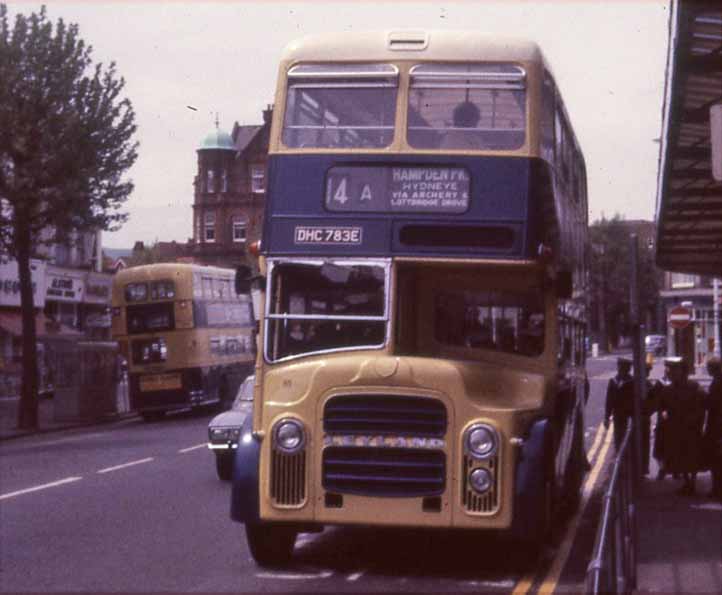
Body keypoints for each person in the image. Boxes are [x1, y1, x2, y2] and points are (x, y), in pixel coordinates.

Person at [659, 358, 706, 495]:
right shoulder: (668, 389)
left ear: (683, 372)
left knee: (692, 455)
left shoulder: (694, 386)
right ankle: (687, 482)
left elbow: (703, 405)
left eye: (675, 370)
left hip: (691, 427)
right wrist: (664, 413)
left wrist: (697, 420)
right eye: (671, 371)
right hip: (676, 428)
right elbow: (662, 406)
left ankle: (692, 482)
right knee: (679, 456)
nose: (672, 373)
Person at [604, 357, 635, 450]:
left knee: (628, 441)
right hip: (618, 416)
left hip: (630, 416)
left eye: (625, 367)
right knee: (618, 439)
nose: (622, 370)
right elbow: (609, 401)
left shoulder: (632, 382)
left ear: (629, 369)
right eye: (620, 367)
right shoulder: (613, 382)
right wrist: (606, 417)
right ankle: (619, 460)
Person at [704, 357, 722, 500]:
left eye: (708, 367)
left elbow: (712, 405)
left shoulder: (717, 384)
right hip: (716, 426)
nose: (706, 370)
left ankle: (717, 490)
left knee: (716, 461)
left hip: (717, 427)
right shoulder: (716, 382)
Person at [652, 359, 673, 480]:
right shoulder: (659, 384)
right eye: (667, 367)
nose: (668, 370)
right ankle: (662, 468)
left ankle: (675, 469)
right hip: (662, 420)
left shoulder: (677, 384)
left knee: (674, 445)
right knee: (659, 446)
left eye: (670, 368)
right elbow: (654, 401)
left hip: (674, 419)